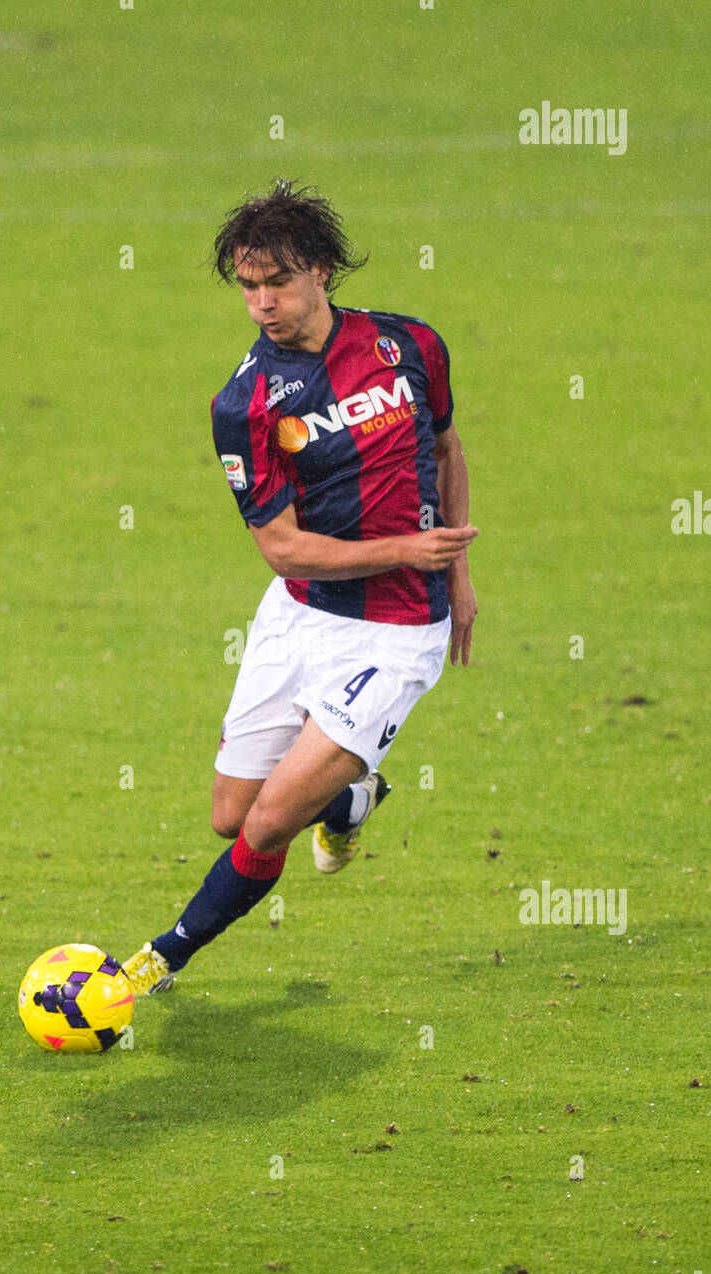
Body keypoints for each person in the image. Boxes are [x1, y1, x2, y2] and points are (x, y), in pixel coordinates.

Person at [124, 179, 478, 994]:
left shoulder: (410, 346)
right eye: (247, 287)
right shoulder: (244, 403)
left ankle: (154, 963)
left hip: (395, 632)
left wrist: (454, 575)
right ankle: (352, 801)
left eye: (276, 281)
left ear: (320, 270)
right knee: (229, 815)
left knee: (270, 822)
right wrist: (408, 546)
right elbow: (282, 551)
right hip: (298, 616)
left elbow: (447, 449)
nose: (260, 303)